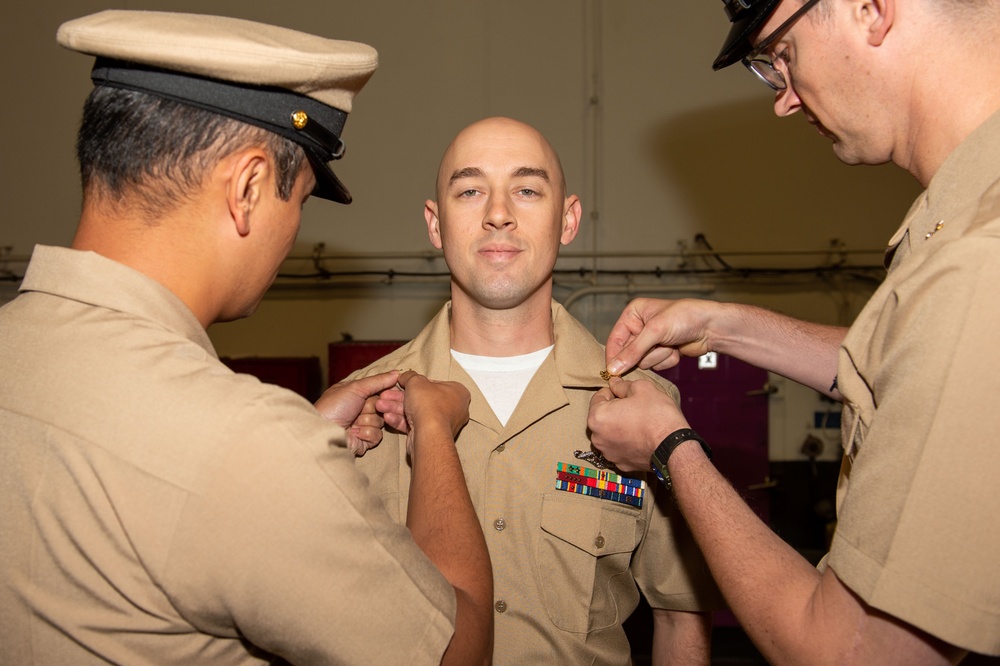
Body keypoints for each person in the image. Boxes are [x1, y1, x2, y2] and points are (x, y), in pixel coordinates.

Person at [0, 10, 492, 665]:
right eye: (302, 200)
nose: (292, 234)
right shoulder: (247, 443)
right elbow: (459, 650)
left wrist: (292, 464)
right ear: (250, 186)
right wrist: (434, 432)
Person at [587, 0, 1000, 663]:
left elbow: (848, 651)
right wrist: (724, 327)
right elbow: (918, 371)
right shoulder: (967, 224)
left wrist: (671, 449)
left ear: (871, 9)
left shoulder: (979, 258)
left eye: (782, 54)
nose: (782, 100)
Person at [340, 117, 721, 665]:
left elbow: (680, 614)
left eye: (526, 190)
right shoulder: (356, 413)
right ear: (435, 223)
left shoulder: (643, 407)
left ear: (567, 220)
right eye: (470, 191)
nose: (498, 213)